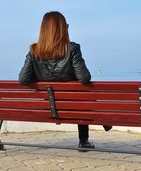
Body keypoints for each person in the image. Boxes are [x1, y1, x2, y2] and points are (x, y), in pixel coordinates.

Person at [19, 11, 111, 150]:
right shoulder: (72, 48)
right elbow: (85, 78)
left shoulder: (34, 50)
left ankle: (98, 127)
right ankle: (84, 140)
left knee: (82, 97)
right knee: (84, 96)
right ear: (63, 28)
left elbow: (23, 78)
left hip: (48, 106)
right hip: (73, 106)